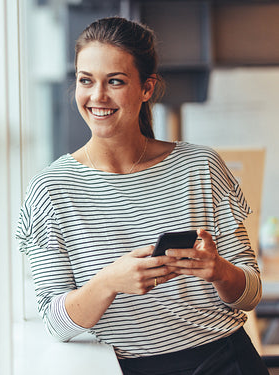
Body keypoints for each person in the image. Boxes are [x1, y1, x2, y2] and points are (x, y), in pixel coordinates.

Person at [16, 16, 268, 375]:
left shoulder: (201, 165)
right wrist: (109, 282)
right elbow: (57, 323)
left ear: (147, 88)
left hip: (225, 360)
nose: (97, 96)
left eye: (115, 81)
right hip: (130, 369)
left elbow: (251, 292)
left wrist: (219, 271)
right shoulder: (50, 189)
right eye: (86, 80)